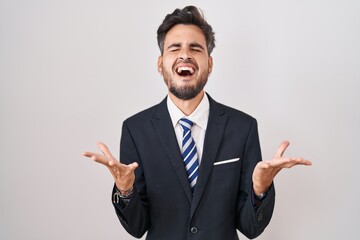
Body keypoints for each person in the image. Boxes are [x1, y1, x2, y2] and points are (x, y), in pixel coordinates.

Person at [83, 5, 311, 240]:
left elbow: (250, 228)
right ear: (160, 64)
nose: (185, 55)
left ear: (209, 64)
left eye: (195, 48)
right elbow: (137, 227)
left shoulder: (243, 127)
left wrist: (259, 189)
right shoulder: (135, 130)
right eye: (175, 48)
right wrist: (125, 190)